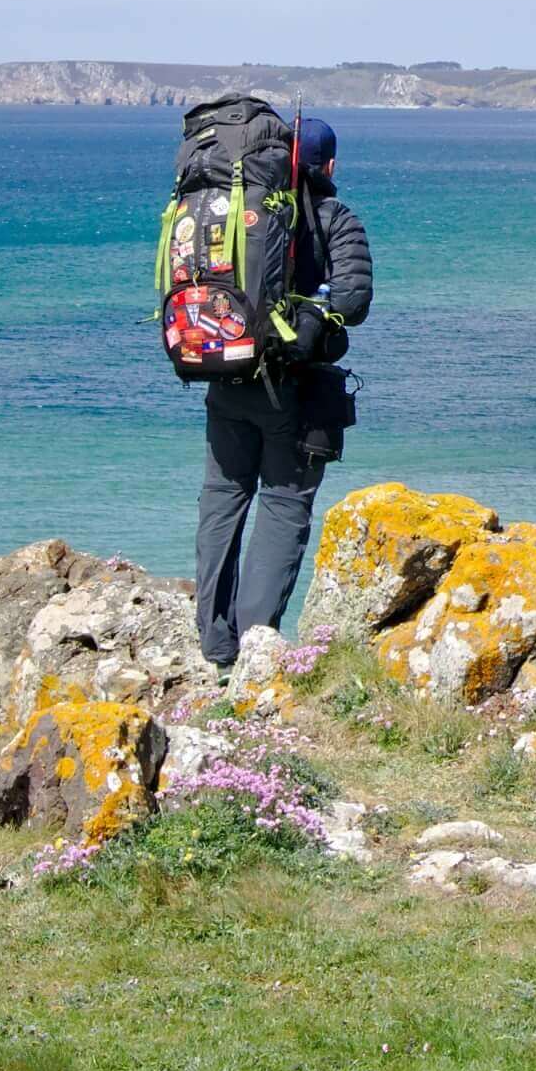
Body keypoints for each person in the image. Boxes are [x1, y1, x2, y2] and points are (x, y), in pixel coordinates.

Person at [193, 116, 372, 669]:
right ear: (330, 166)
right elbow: (356, 299)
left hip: (226, 376)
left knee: (223, 499)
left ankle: (213, 645)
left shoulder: (228, 214)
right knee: (283, 505)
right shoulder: (334, 218)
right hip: (294, 392)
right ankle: (254, 650)